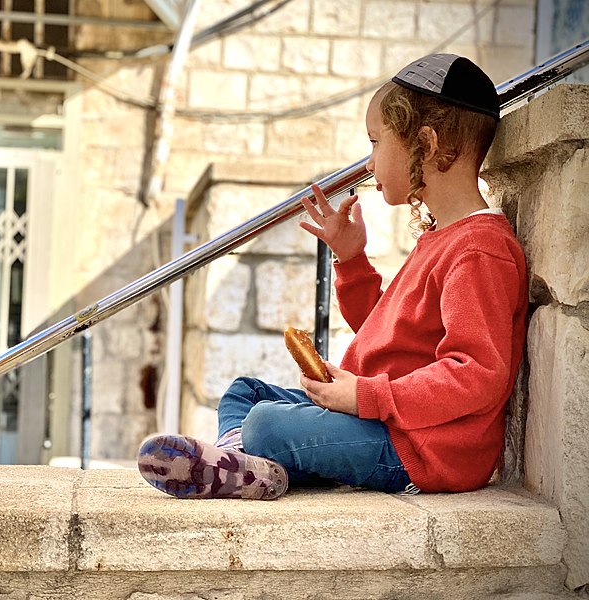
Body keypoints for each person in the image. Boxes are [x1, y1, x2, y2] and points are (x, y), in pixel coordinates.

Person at [137, 53, 528, 500]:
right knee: (244, 393)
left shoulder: (479, 250)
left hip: (419, 448)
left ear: (427, 144)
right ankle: (250, 466)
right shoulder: (442, 237)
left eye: (376, 142)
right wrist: (351, 258)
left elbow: (477, 374)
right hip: (381, 419)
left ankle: (244, 462)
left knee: (267, 421)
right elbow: (384, 331)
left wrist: (366, 396)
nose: (367, 163)